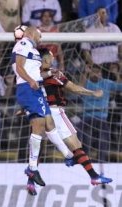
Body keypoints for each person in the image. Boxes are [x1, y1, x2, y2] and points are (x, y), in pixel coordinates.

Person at [25, 48, 113, 195]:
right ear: (45, 60)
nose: (53, 59)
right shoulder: (53, 73)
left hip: (38, 113)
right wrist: (93, 92)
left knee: (38, 149)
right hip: (55, 112)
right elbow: (73, 88)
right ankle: (93, 176)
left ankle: (30, 182)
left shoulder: (30, 75)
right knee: (76, 145)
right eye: (51, 57)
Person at [12, 26, 75, 188]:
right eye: (40, 36)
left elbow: (35, 73)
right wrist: (31, 81)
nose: (40, 39)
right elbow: (19, 68)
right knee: (38, 126)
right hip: (28, 88)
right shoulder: (23, 44)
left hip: (35, 89)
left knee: (49, 124)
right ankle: (32, 168)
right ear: (32, 32)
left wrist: (49, 74)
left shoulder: (32, 49)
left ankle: (68, 155)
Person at [78, 64, 122, 162]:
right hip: (86, 117)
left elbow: (120, 86)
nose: (96, 74)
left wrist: (116, 74)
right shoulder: (86, 83)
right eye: (93, 72)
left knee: (104, 135)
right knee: (81, 133)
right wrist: (85, 73)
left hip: (101, 117)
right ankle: (85, 160)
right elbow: (78, 89)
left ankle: (102, 160)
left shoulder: (106, 83)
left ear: (101, 73)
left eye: (98, 72)